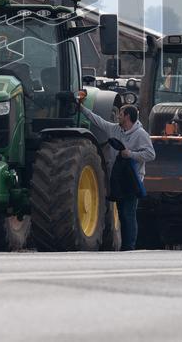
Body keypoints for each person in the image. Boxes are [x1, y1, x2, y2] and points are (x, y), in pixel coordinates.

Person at [77, 97, 155, 250]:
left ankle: (129, 246)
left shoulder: (141, 134)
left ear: (127, 117)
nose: (118, 116)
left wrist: (130, 154)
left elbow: (151, 155)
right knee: (121, 212)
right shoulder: (115, 129)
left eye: (120, 113)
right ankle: (125, 246)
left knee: (129, 213)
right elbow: (97, 120)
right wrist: (82, 109)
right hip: (118, 179)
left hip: (133, 179)